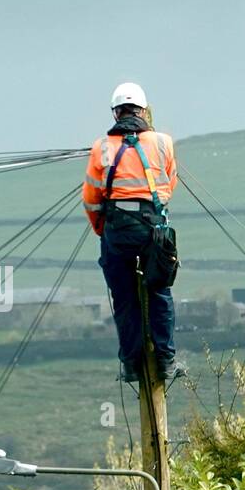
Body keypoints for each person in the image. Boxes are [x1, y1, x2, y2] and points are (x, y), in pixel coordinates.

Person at [82, 81, 180, 385]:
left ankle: (131, 363)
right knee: (160, 292)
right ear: (143, 110)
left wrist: (102, 230)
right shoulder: (163, 142)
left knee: (124, 298)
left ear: (116, 113)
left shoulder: (101, 148)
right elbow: (168, 186)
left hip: (117, 231)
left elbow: (91, 198)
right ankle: (165, 361)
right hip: (153, 231)